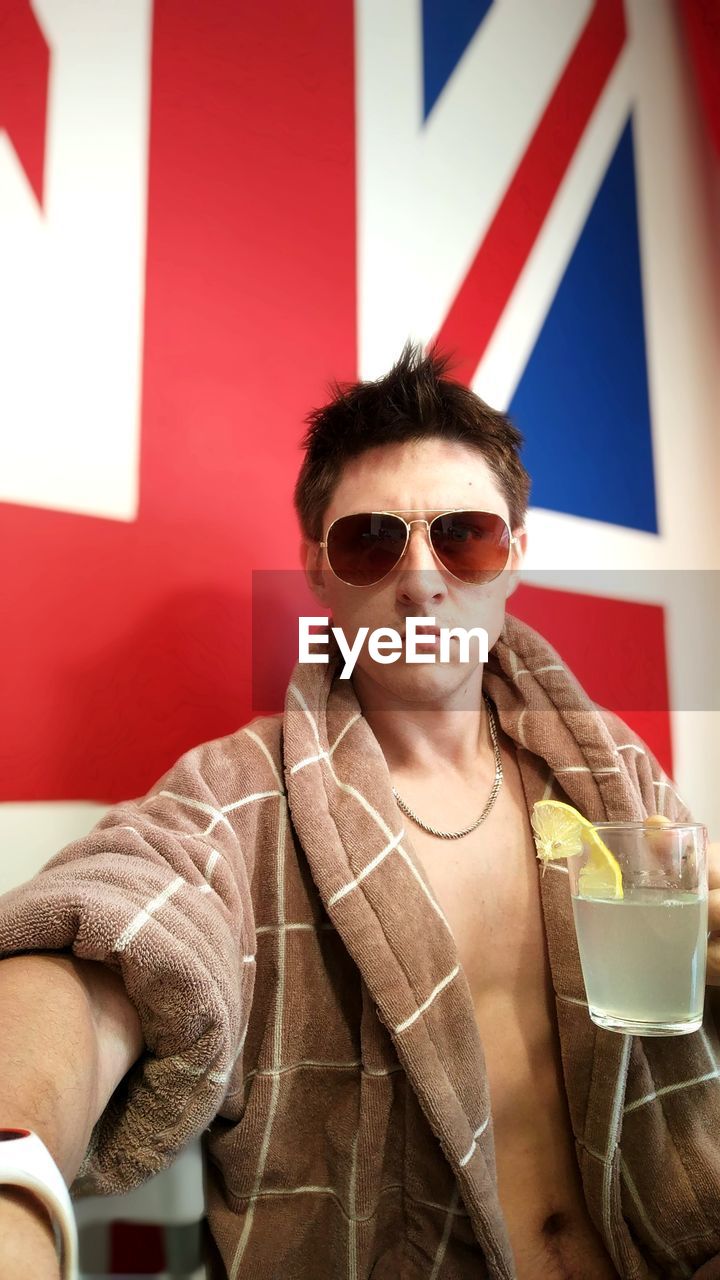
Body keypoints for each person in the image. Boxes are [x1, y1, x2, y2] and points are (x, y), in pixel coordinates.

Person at [0, 345, 718, 1280]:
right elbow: (100, 938)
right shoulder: (237, 796)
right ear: (319, 573)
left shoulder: (612, 772)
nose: (421, 582)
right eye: (373, 541)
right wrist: (14, 1179)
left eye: (464, 536)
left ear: (515, 561)